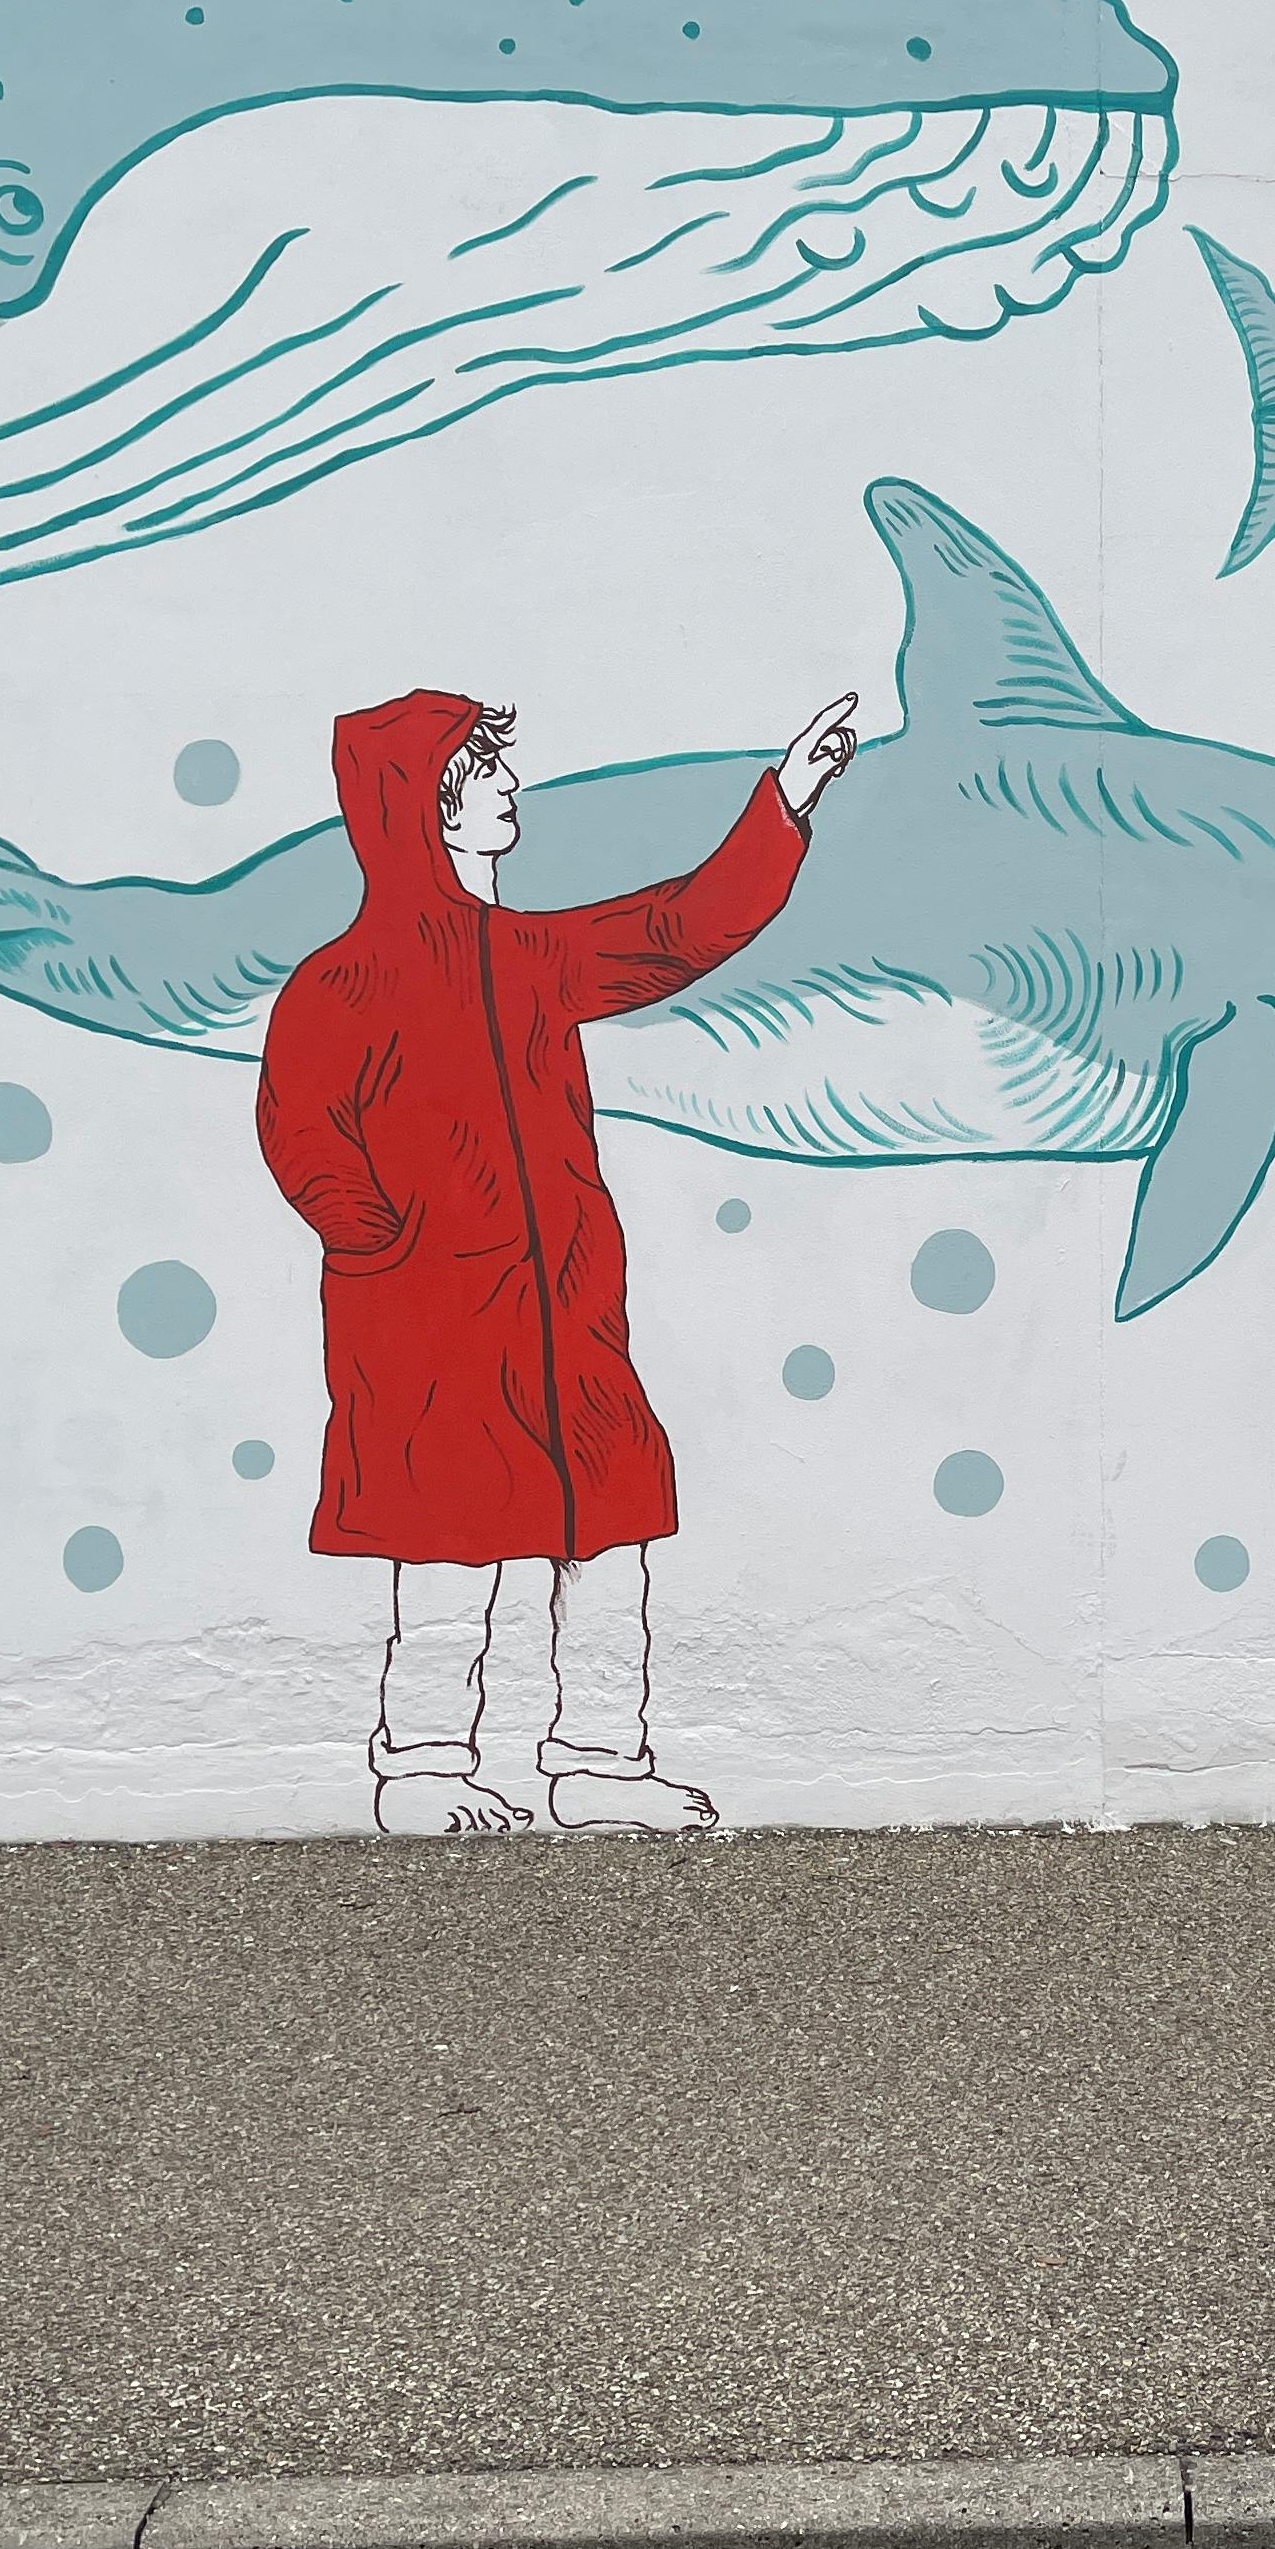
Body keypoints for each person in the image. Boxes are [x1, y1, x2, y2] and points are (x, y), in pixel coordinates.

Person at [255, 684, 857, 1835]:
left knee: (611, 1528)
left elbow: (677, 929)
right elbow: (300, 1129)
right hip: (431, 1326)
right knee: (446, 1551)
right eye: (484, 772)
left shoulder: (533, 956)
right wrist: (381, 1241)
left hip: (566, 1316)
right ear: (427, 808)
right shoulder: (340, 983)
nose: (510, 786)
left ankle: (599, 1765)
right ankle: (427, 1769)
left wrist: (785, 798)